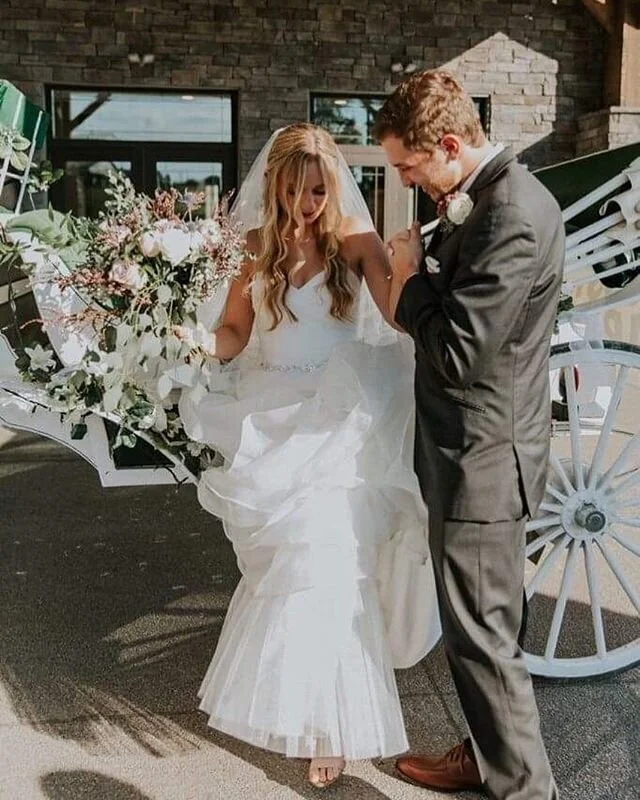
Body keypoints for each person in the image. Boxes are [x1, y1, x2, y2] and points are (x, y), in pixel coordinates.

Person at [175, 123, 441, 788]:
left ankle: (329, 727)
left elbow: (396, 312)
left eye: (318, 190)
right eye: (295, 191)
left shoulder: (354, 241)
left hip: (341, 416)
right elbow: (235, 331)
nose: (307, 204)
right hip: (270, 415)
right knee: (290, 566)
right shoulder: (254, 248)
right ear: (275, 187)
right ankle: (303, 706)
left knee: (332, 560)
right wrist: (195, 343)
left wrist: (407, 267)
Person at [373, 70, 564, 799]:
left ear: (451, 145)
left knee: (482, 639)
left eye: (410, 165)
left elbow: (458, 353)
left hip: (482, 461)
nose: (406, 179)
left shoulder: (510, 213)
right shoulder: (483, 200)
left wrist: (408, 280)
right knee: (485, 630)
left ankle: (525, 788)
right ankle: (486, 756)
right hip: (474, 452)